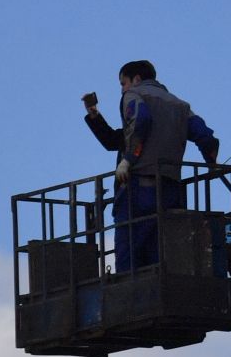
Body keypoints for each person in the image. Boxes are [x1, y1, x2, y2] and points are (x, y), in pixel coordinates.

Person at [83, 60, 219, 271]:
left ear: (136, 79)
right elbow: (206, 137)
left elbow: (141, 122)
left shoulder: (134, 95)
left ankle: (130, 297)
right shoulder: (180, 106)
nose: (122, 89)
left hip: (137, 192)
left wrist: (128, 160)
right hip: (171, 192)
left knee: (130, 259)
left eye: (123, 83)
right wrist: (212, 165)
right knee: (163, 256)